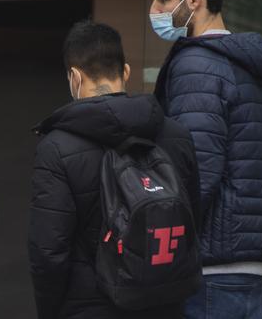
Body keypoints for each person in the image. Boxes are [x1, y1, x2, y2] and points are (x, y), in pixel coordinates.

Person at [29, 21, 201, 319]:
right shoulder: (176, 136)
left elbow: (49, 251)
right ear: (126, 72)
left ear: (74, 77)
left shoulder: (56, 148)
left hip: (88, 306)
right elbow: (193, 219)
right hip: (165, 305)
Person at [150, 0, 262, 317]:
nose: (154, 9)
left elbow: (196, 171)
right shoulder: (251, 63)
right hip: (257, 265)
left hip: (214, 267)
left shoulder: (197, 63)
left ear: (195, 0)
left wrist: (160, 244)